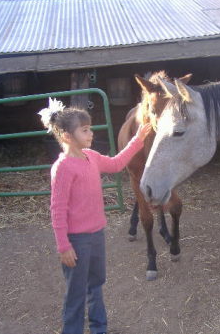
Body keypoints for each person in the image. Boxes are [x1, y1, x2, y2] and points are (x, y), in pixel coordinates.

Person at [39, 98, 151, 334]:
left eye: (90, 128)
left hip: (97, 234)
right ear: (68, 136)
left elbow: (117, 163)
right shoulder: (63, 167)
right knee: (76, 292)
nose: (91, 133)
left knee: (96, 285)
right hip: (76, 240)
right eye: (85, 130)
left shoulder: (91, 156)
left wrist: (138, 139)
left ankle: (99, 328)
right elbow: (57, 209)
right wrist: (63, 246)